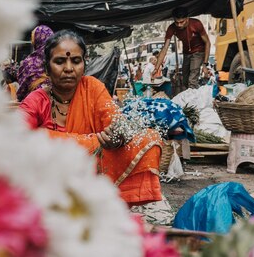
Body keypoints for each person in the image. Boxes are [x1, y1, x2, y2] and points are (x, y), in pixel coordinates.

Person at [19, 30, 163, 207]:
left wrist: (116, 138)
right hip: (50, 183)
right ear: (47, 68)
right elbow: (15, 134)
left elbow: (116, 123)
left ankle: (108, 207)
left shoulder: (93, 88)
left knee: (148, 138)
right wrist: (91, 142)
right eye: (60, 61)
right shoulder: (37, 100)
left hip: (94, 178)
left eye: (76, 61)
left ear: (84, 65)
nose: (69, 68)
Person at [154, 7, 211, 90]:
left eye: (182, 22)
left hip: (199, 51)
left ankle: (193, 100)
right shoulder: (171, 28)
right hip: (186, 53)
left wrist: (205, 64)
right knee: (185, 80)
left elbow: (208, 43)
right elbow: (164, 49)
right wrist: (156, 68)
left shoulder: (196, 24)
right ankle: (191, 95)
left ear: (187, 18)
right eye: (177, 22)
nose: (179, 25)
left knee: (192, 79)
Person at [16, 25, 54, 101]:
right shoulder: (59, 58)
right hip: (59, 108)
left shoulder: (29, 63)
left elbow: (21, 92)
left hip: (34, 106)